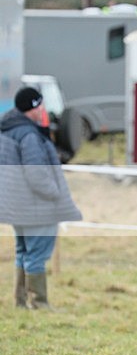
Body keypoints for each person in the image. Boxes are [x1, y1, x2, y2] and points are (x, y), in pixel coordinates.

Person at [0, 86, 81, 309]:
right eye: (41, 104)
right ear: (34, 107)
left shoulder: (8, 129)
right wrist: (53, 192)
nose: (43, 109)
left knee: (23, 252)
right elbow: (36, 173)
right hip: (37, 206)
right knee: (37, 254)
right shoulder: (29, 135)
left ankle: (21, 301)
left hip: (18, 205)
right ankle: (39, 303)